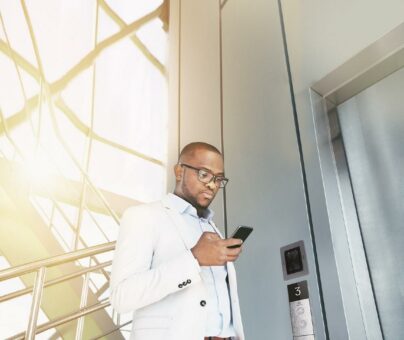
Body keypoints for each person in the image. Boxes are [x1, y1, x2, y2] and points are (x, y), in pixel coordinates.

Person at [110, 142, 245, 340]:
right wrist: (194, 259)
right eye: (204, 174)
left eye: (218, 179)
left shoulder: (212, 227)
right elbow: (122, 297)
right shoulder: (143, 216)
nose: (212, 184)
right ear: (179, 171)